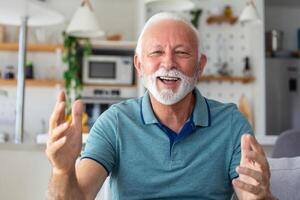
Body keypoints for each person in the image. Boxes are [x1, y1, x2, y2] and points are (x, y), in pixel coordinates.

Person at [46, 12, 275, 200]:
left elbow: (251, 194)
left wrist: (262, 196)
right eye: (156, 52)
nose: (168, 63)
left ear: (200, 65)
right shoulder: (114, 122)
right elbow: (78, 197)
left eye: (182, 53)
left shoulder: (231, 124)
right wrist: (62, 171)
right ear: (139, 64)